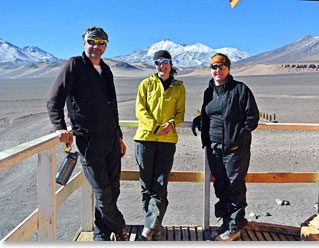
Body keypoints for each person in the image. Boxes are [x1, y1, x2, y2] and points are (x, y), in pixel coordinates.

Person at [47, 26, 128, 241]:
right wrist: (60, 127)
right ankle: (120, 229)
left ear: (106, 45)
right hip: (88, 140)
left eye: (101, 42)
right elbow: (54, 100)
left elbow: (113, 106)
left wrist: (118, 136)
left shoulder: (106, 70)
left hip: (110, 138)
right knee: (102, 192)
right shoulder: (74, 65)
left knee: (113, 189)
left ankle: (101, 234)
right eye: (92, 41)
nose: (97, 46)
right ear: (84, 43)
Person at [192, 53, 259, 241]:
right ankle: (226, 223)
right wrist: (199, 120)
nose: (217, 70)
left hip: (235, 149)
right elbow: (210, 112)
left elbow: (252, 118)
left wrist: (238, 138)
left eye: (221, 67)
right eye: (214, 67)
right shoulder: (209, 91)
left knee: (234, 186)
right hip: (213, 148)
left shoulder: (240, 89)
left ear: (228, 69)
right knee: (221, 185)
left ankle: (235, 225)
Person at [134, 50, 186, 241]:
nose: (161, 66)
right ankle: (154, 226)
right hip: (145, 140)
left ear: (171, 64)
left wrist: (171, 125)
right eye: (157, 62)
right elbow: (140, 110)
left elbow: (180, 114)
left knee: (160, 184)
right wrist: (155, 128)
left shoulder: (179, 87)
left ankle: (149, 227)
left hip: (167, 141)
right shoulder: (146, 84)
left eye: (165, 62)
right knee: (146, 185)